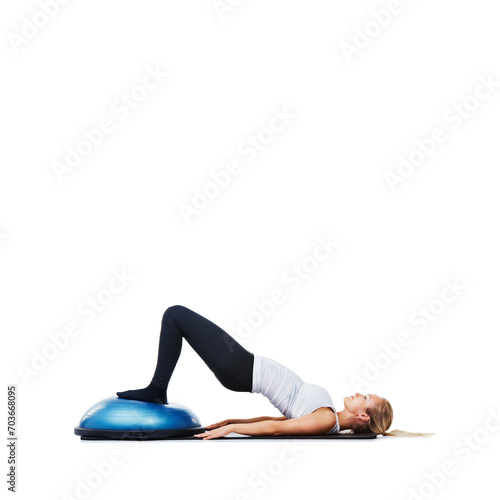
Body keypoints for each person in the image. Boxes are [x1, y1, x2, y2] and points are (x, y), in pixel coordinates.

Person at [116, 305, 422, 440]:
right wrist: (232, 420)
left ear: (364, 417)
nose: (359, 392)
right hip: (244, 364)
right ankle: (156, 388)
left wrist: (232, 431)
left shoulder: (326, 420)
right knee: (176, 316)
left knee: (175, 315)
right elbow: (280, 420)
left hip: (241, 368)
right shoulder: (326, 416)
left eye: (365, 397)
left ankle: (157, 389)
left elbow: (277, 430)